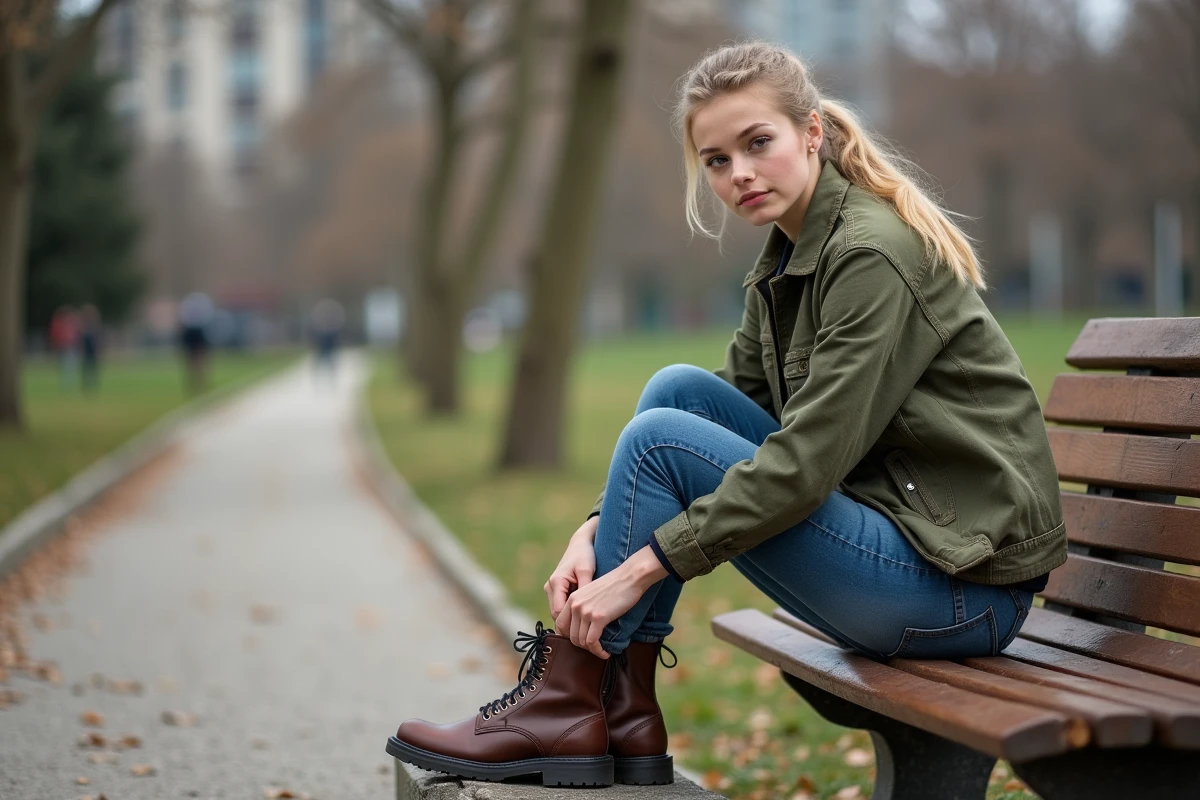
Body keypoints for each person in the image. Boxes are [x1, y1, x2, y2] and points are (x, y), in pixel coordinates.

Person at [387, 41, 1066, 788]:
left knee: (659, 438)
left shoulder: (870, 255)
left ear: (811, 133)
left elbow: (804, 464)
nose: (738, 173)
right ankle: (620, 705)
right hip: (910, 555)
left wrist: (640, 568)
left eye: (757, 144)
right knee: (674, 392)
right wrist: (592, 528)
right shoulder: (786, 257)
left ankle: (575, 697)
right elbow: (718, 406)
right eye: (716, 160)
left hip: (960, 594)